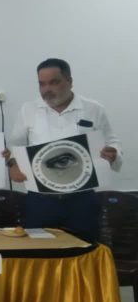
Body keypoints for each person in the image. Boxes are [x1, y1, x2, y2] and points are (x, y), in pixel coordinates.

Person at [9, 58, 122, 242]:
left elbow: (112, 142)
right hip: (40, 197)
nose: (47, 89)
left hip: (82, 197)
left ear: (69, 81)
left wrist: (113, 153)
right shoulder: (28, 110)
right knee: (40, 249)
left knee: (84, 248)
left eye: (54, 82)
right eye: (42, 84)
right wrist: (13, 164)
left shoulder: (93, 109)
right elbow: (16, 145)